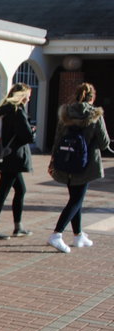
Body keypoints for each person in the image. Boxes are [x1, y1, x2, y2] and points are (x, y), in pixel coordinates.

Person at [46, 82, 111, 253]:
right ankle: (56, 234)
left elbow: (57, 138)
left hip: (66, 161)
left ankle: (78, 235)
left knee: (76, 198)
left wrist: (53, 160)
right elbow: (104, 143)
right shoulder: (95, 115)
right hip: (86, 164)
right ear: (92, 97)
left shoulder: (65, 113)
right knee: (76, 200)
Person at [0, 83, 36, 239]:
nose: (29, 98)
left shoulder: (4, 111)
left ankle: (18, 227)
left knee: (20, 190)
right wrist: (32, 132)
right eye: (28, 95)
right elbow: (27, 136)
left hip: (4, 156)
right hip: (12, 158)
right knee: (2, 194)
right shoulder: (17, 112)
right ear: (22, 96)